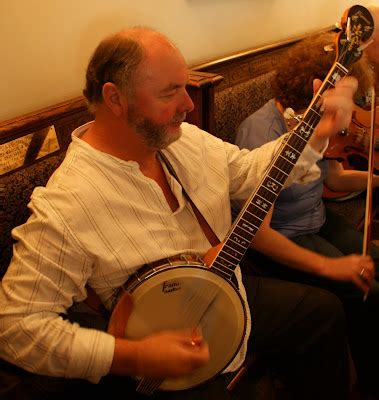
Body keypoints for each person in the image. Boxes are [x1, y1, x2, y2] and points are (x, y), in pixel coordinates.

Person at [0, 27, 359, 400]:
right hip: (158, 343)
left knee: (323, 313)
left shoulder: (182, 139)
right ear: (115, 98)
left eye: (185, 87)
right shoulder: (68, 202)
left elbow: (251, 171)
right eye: (171, 92)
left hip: (223, 286)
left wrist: (318, 134)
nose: (188, 104)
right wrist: (133, 355)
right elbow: (14, 326)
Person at [234, 31, 379, 399]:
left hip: (316, 217)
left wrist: (376, 178)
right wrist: (328, 266)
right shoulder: (260, 130)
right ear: (314, 88)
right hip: (285, 237)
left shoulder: (315, 121)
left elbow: (329, 175)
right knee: (366, 290)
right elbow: (258, 234)